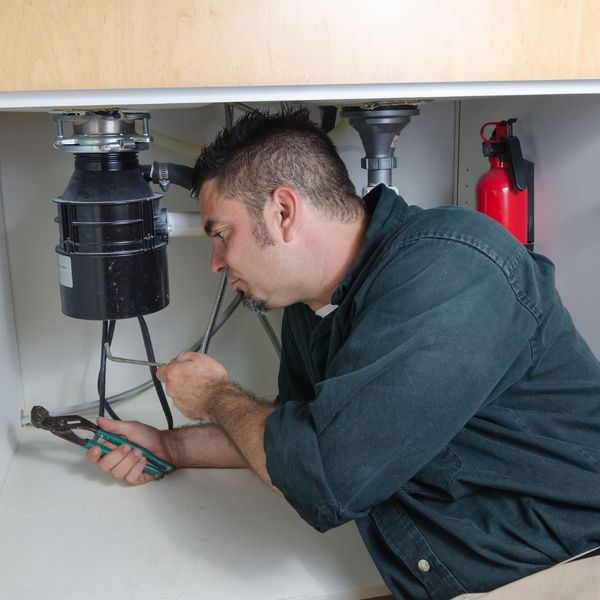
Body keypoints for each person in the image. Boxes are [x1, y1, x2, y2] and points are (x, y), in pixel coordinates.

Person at [87, 108, 600, 600]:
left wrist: (215, 395)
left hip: (566, 570)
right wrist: (168, 446)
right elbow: (289, 441)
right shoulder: (310, 311)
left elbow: (322, 474)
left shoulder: (452, 268)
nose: (216, 263)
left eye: (222, 234)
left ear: (282, 211)